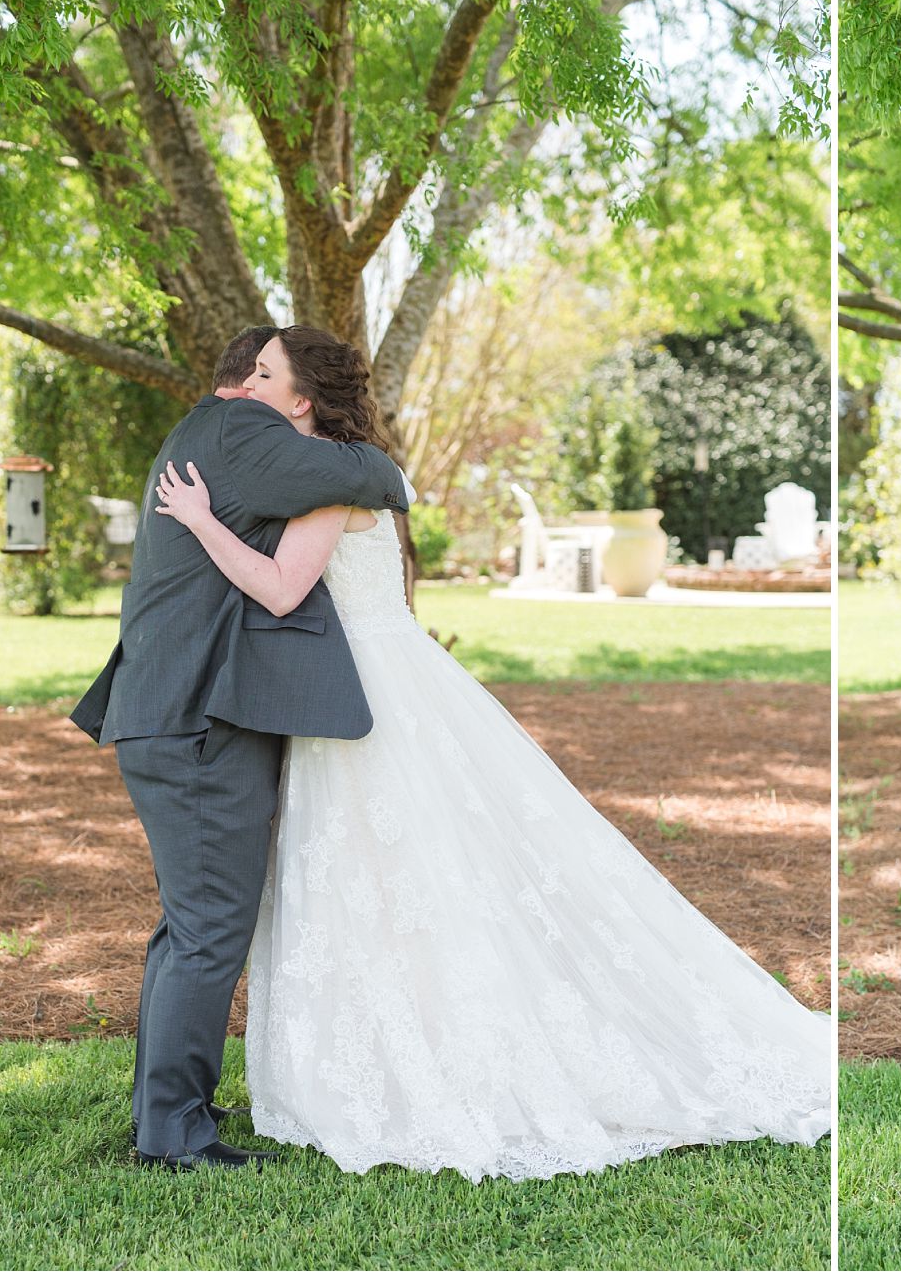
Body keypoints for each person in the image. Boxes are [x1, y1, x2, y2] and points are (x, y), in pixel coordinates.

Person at [151, 325, 831, 1182]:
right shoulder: (342, 468)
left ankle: (434, 1059)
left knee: (400, 875)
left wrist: (204, 522)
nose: (246, 383)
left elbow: (284, 588)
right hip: (378, 676)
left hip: (363, 691)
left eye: (265, 373)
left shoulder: (328, 479)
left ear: (302, 401)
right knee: (397, 877)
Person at [71, 324, 411, 1169]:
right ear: (247, 389)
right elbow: (366, 473)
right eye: (257, 373)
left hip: (171, 713)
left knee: (189, 926)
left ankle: (167, 1112)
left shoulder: (208, 437)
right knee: (211, 927)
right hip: (196, 725)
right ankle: (176, 1133)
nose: (257, 386)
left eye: (272, 372)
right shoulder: (238, 426)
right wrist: (384, 466)